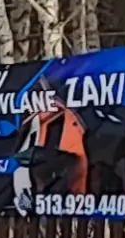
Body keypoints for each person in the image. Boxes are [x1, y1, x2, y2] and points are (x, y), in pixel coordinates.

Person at [8, 75, 90, 211]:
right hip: (59, 179)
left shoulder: (56, 115)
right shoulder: (41, 115)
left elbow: (58, 155)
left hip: (69, 186)